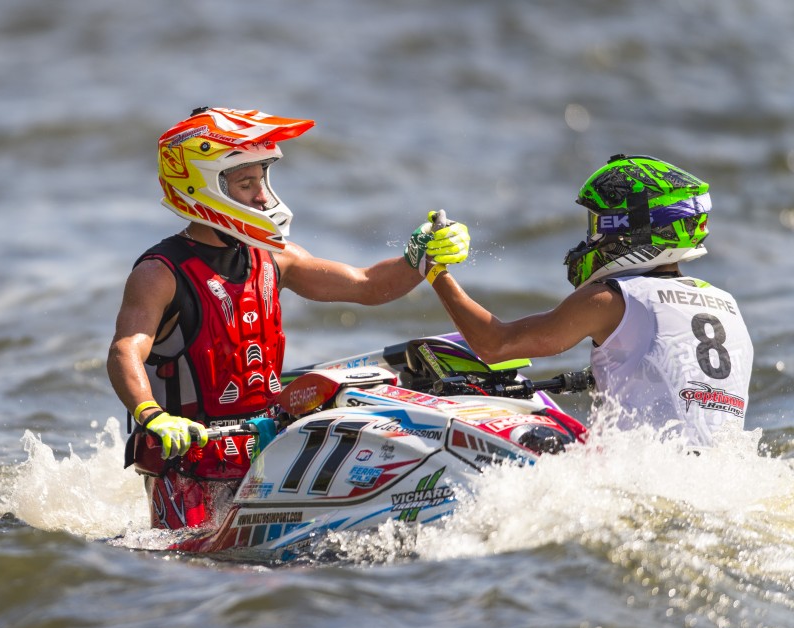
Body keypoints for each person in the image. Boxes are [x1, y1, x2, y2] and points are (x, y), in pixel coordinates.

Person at [106, 107, 459, 529]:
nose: (261, 196)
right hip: (189, 465)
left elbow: (366, 285)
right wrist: (152, 415)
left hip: (267, 451)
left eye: (262, 180)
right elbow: (125, 349)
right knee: (200, 577)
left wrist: (418, 260)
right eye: (246, 183)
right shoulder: (159, 272)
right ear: (202, 187)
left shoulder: (274, 258)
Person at [418, 154, 753, 448]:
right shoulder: (727, 305)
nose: (590, 240)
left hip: (641, 481)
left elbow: (494, 344)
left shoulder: (608, 299)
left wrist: (434, 270)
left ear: (630, 229)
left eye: (596, 226)